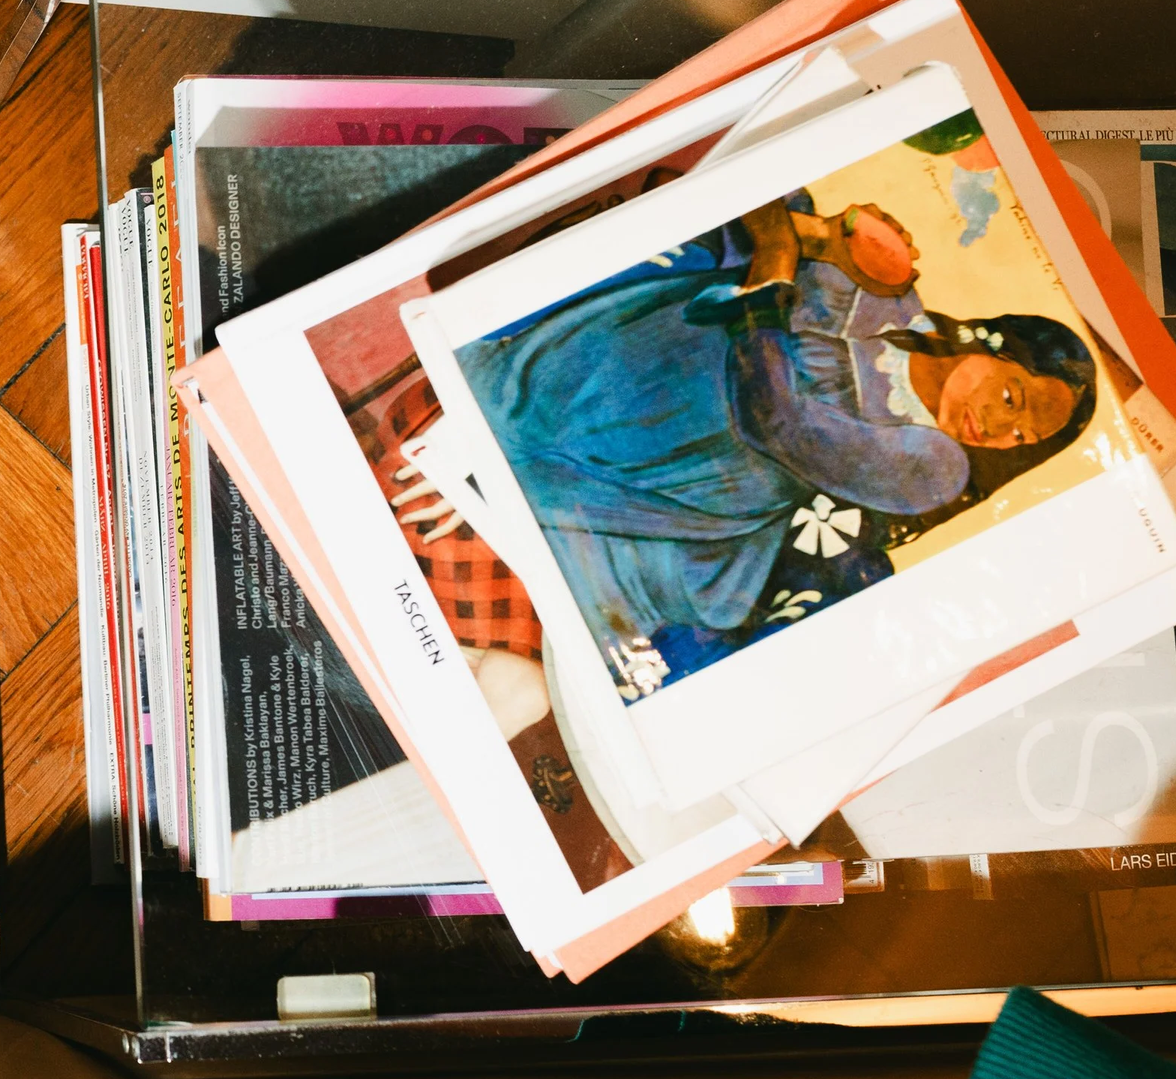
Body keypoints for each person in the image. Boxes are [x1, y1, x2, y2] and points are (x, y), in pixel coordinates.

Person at [459, 183, 1098, 695]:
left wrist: (776, 265)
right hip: (635, 353)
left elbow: (776, 419)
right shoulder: (886, 298)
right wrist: (815, 237)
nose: (998, 428)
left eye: (1021, 436)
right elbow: (756, 204)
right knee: (615, 352)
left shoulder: (936, 469)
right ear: (990, 345)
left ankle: (507, 456)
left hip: (696, 478)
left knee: (595, 429)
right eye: (1012, 397)